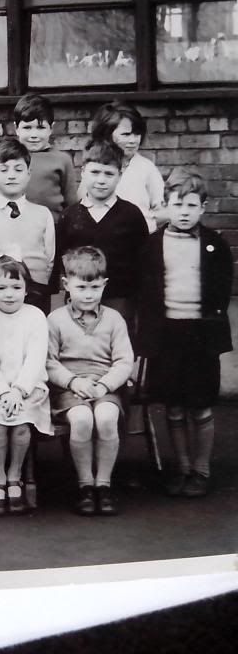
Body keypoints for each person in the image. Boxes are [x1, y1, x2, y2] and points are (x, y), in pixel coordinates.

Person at [136, 168, 233, 498]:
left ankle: (202, 470)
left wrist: (210, 327)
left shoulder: (215, 245)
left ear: (203, 207)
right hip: (167, 336)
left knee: (201, 404)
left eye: (192, 206)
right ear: (166, 205)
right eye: (177, 205)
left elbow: (221, 290)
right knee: (174, 406)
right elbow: (146, 295)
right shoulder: (151, 245)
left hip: (201, 336)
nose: (184, 212)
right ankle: (182, 467)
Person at [47, 246, 135, 516]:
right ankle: (85, 484)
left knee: (107, 417)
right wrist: (73, 382)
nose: (88, 295)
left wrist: (106, 385)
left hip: (104, 385)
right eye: (81, 288)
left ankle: (103, 485)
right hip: (69, 387)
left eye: (95, 288)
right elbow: (49, 362)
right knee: (83, 419)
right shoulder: (56, 320)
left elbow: (124, 360)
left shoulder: (114, 319)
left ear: (104, 285)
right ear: (66, 285)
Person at [0, 256, 53, 516]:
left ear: (26, 289)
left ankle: (15, 475)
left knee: (21, 425)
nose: (9, 295)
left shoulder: (35, 316)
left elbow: (35, 358)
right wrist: (3, 392)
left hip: (29, 388)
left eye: (16, 287)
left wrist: (19, 390)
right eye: (1, 288)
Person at [55, 140, 148, 330]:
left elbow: (143, 263)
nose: (101, 180)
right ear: (83, 172)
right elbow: (60, 259)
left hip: (120, 301)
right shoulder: (70, 216)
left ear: (120, 176)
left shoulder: (131, 215)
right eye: (95, 172)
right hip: (79, 300)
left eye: (109, 174)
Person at [0, 139, 56, 313]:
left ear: (29, 174)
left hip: (35, 291)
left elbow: (50, 258)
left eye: (18, 170)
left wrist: (37, 284)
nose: (11, 175)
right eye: (4, 170)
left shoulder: (42, 213)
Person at [84, 101, 165, 234]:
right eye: (126, 135)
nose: (133, 140)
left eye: (137, 134)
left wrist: (144, 223)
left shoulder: (146, 168)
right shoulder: (96, 168)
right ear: (107, 134)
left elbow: (162, 210)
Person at [12, 93, 77, 222]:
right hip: (16, 229)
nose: (34, 135)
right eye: (27, 128)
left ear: (51, 128)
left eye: (41, 127)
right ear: (16, 128)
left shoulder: (62, 160)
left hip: (53, 230)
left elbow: (71, 205)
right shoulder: (9, 159)